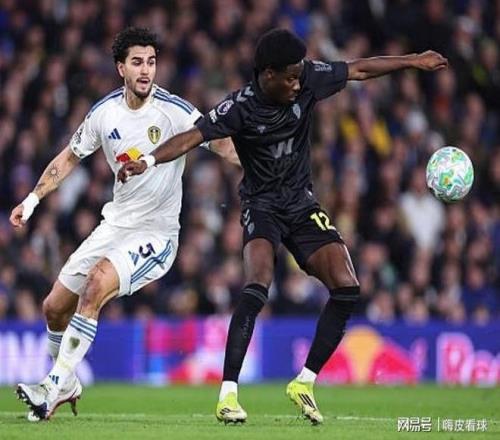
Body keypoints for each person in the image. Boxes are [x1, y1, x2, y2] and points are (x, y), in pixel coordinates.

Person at [119, 28, 448, 424]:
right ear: (268, 74)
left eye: (299, 75)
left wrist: (413, 60)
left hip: (301, 203)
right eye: (289, 77)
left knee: (347, 287)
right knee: (258, 285)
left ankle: (304, 382)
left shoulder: (308, 77)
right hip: (261, 206)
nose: (297, 83)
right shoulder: (239, 107)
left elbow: (358, 69)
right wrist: (147, 161)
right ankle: (228, 394)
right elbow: (192, 136)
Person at [10, 26, 238, 421]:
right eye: (137, 62)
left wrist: (265, 167)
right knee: (53, 308)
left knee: (97, 282)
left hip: (156, 234)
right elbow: (68, 157)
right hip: (115, 225)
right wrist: (32, 199)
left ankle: (50, 386)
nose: (146, 70)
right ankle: (69, 382)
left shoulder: (174, 111)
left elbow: (220, 142)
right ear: (121, 68)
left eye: (151, 62)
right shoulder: (104, 113)